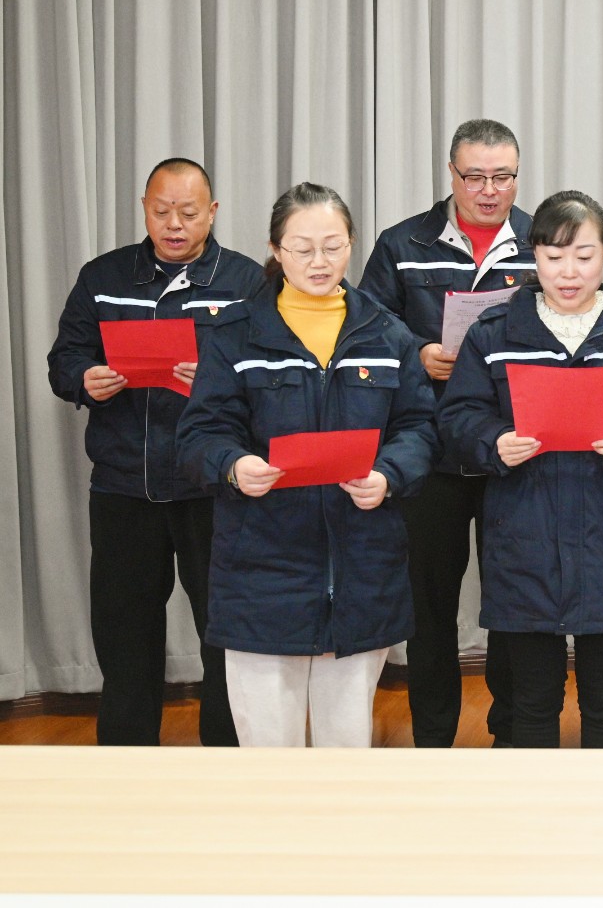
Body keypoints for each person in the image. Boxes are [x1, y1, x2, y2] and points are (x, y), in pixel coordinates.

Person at [178, 183, 437, 747]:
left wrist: (388, 475)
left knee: (346, 752)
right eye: (302, 248)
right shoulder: (235, 334)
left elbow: (419, 428)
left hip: (360, 569)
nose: (319, 261)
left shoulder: (387, 334)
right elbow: (199, 434)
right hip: (262, 571)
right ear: (276, 249)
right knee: (270, 759)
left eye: (333, 246)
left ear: (351, 245)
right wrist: (234, 465)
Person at [437, 191, 603, 749]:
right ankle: (537, 806)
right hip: (524, 541)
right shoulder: (495, 332)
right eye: (554, 257)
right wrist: (494, 441)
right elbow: (457, 415)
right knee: (531, 700)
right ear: (534, 256)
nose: (569, 272)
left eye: (583, 256)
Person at [47, 157, 261, 747]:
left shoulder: (245, 282)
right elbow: (64, 359)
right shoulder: (103, 276)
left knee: (225, 636)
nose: (174, 224)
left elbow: (272, 376)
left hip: (212, 489)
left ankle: (226, 762)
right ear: (144, 209)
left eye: (188, 213)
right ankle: (126, 765)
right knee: (125, 638)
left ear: (212, 213)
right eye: (162, 211)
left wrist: (220, 380)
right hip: (124, 487)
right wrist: (84, 377)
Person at [360, 118, 538, 747]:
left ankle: (512, 734)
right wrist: (418, 353)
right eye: (475, 177)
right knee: (429, 603)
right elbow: (367, 329)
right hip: (430, 450)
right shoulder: (402, 243)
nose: (489, 191)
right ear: (451, 174)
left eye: (503, 177)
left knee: (514, 599)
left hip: (512, 448)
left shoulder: (541, 241)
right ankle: (433, 738)